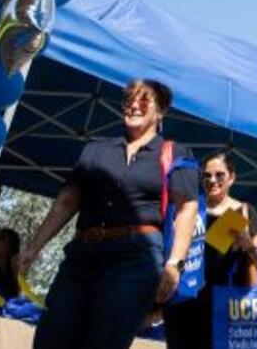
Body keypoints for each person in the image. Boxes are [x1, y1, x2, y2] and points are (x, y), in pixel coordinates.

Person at [21, 79, 202, 349]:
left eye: (143, 100)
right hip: (82, 254)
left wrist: (175, 263)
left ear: (161, 111)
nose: (133, 106)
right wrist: (33, 248)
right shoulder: (96, 148)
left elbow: (187, 208)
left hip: (136, 258)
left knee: (106, 341)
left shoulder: (176, 153)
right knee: (52, 336)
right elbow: (67, 200)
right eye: (128, 100)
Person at [162, 150, 257, 349]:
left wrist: (248, 244)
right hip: (184, 302)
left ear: (232, 177)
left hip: (222, 306)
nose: (212, 180)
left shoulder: (241, 211)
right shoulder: (190, 209)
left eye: (220, 175)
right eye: (207, 175)